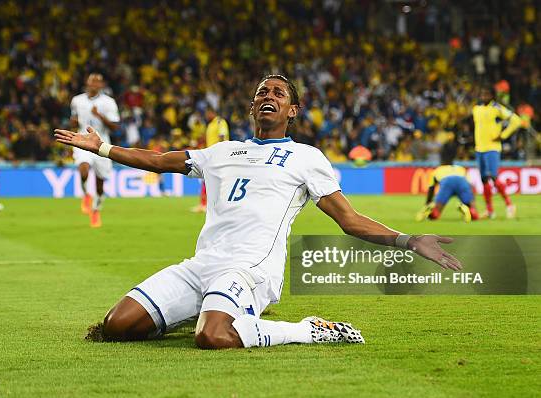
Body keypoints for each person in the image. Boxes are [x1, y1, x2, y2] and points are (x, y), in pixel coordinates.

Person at [55, 75, 461, 349]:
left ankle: (307, 329)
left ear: (293, 112)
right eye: (262, 93)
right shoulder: (222, 151)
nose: (269, 97)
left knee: (213, 337)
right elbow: (161, 160)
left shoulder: (306, 158)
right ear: (252, 107)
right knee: (117, 326)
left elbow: (349, 219)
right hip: (201, 265)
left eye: (279, 94)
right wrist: (103, 149)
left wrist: (409, 240)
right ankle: (208, 307)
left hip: (251, 271)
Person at [70, 73, 120, 227]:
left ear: (102, 85)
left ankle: (96, 210)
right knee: (83, 169)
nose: (94, 84)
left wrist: (100, 116)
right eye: (92, 81)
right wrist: (73, 124)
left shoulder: (109, 102)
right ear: (87, 82)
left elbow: (115, 127)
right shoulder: (77, 100)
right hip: (83, 141)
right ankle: (86, 195)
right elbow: (74, 120)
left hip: (102, 143)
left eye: (98, 82)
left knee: (100, 184)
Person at [472, 86, 522, 219]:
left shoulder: (497, 108)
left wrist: (503, 135)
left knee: (493, 177)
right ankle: (490, 211)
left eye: (487, 94)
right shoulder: (476, 109)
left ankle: (509, 205)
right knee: (484, 180)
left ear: (492, 96)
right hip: (479, 148)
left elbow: (516, 121)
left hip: (492, 148)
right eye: (482, 94)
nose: (484, 97)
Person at [416, 143, 479, 222]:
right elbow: (469, 186)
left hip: (447, 182)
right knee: (474, 214)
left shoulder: (437, 170)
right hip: (461, 181)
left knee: (436, 214)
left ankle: (432, 214)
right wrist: (472, 201)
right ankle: (468, 209)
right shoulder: (460, 168)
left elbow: (431, 189)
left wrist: (427, 204)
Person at [191, 106, 229, 213]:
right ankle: (204, 204)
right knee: (207, 178)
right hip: (210, 155)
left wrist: (221, 152)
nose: (206, 116)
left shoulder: (220, 122)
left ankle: (210, 204)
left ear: (212, 112)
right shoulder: (210, 124)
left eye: (207, 113)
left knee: (216, 179)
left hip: (219, 155)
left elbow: (222, 136)